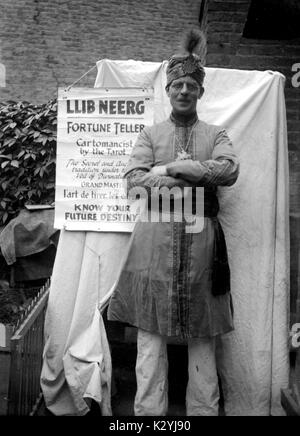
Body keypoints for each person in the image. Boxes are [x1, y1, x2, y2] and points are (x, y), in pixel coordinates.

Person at [107, 29, 239, 416]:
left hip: (202, 248)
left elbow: (229, 169)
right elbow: (134, 182)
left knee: (203, 335)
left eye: (190, 85)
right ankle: (148, 414)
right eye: (177, 84)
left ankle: (203, 411)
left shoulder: (216, 134)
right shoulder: (150, 133)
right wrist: (196, 177)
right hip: (153, 246)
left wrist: (175, 168)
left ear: (200, 91)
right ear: (168, 90)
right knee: (149, 335)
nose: (183, 91)